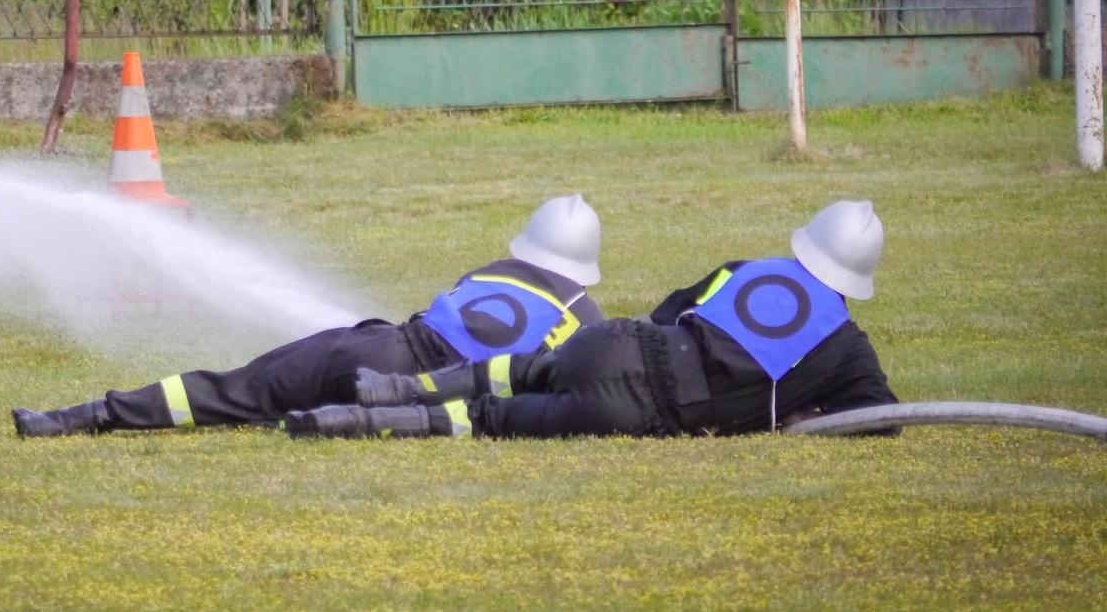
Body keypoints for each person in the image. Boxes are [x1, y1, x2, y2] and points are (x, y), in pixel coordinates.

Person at [285, 199, 898, 440]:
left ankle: (394, 385)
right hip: (639, 411)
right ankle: (351, 421)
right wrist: (803, 412)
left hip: (614, 343)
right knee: (487, 420)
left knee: (523, 370)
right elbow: (884, 419)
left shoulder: (748, 269)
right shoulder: (847, 348)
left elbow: (667, 312)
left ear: (807, 243)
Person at [12, 194, 606, 436]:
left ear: (529, 242)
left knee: (233, 388)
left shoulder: (493, 267)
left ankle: (77, 417)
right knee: (350, 419)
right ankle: (324, 421)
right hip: (418, 391)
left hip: (370, 345)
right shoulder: (586, 316)